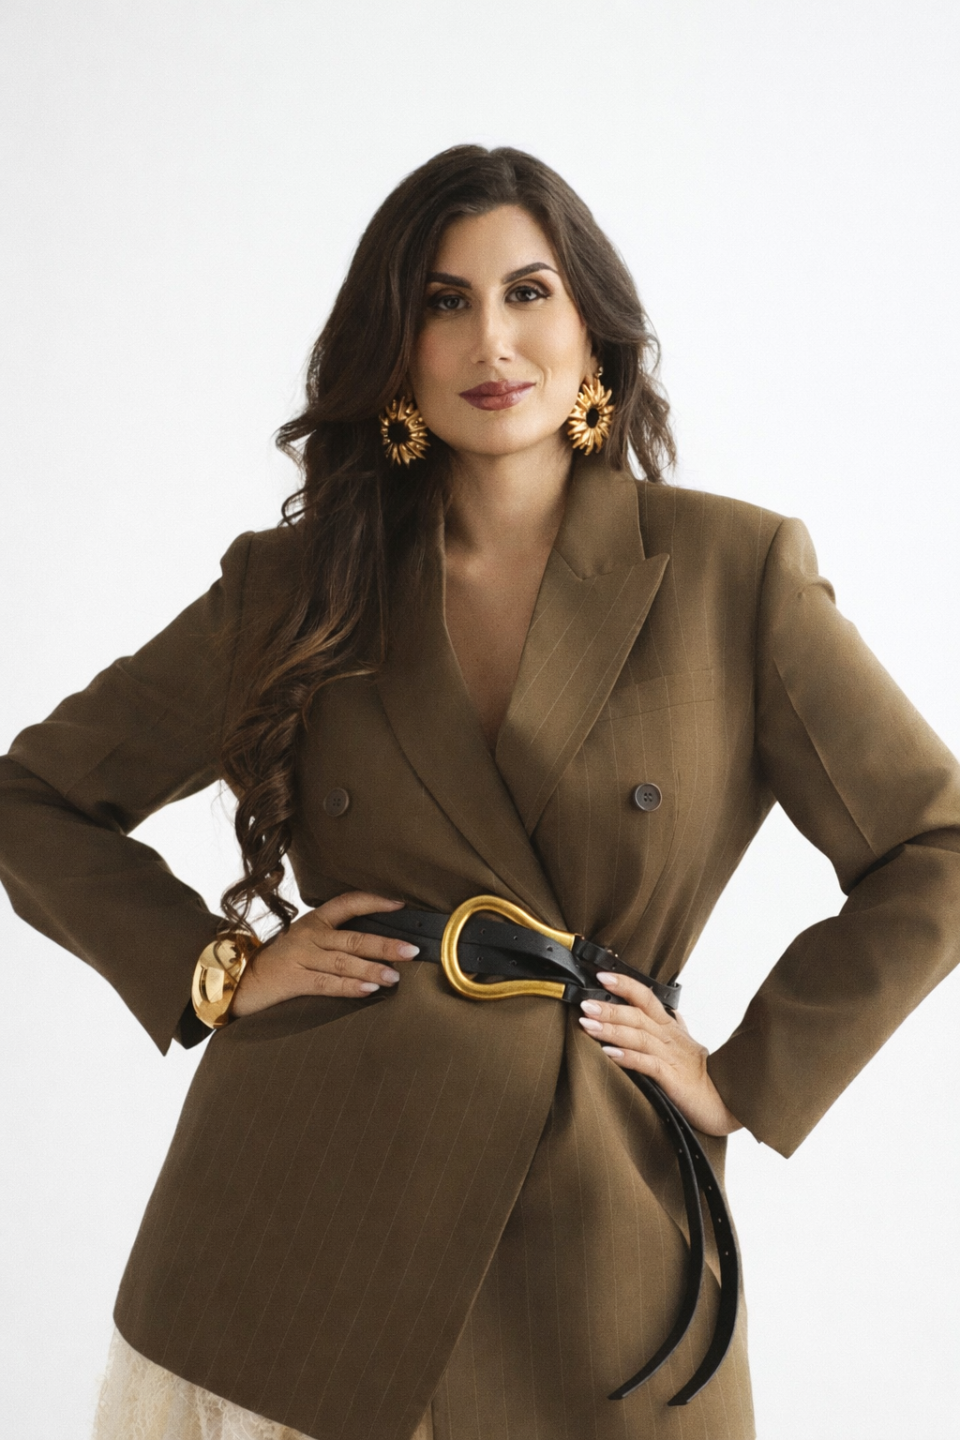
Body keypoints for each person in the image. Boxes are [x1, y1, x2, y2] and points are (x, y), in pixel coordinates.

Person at [1, 144, 958, 1440]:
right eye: (443, 302)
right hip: (312, 1188)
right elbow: (33, 796)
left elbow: (935, 845)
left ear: (592, 327)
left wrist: (751, 1077)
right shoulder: (297, 585)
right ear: (393, 351)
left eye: (528, 292)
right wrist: (217, 969)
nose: (491, 341)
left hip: (605, 1205)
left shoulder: (734, 571)